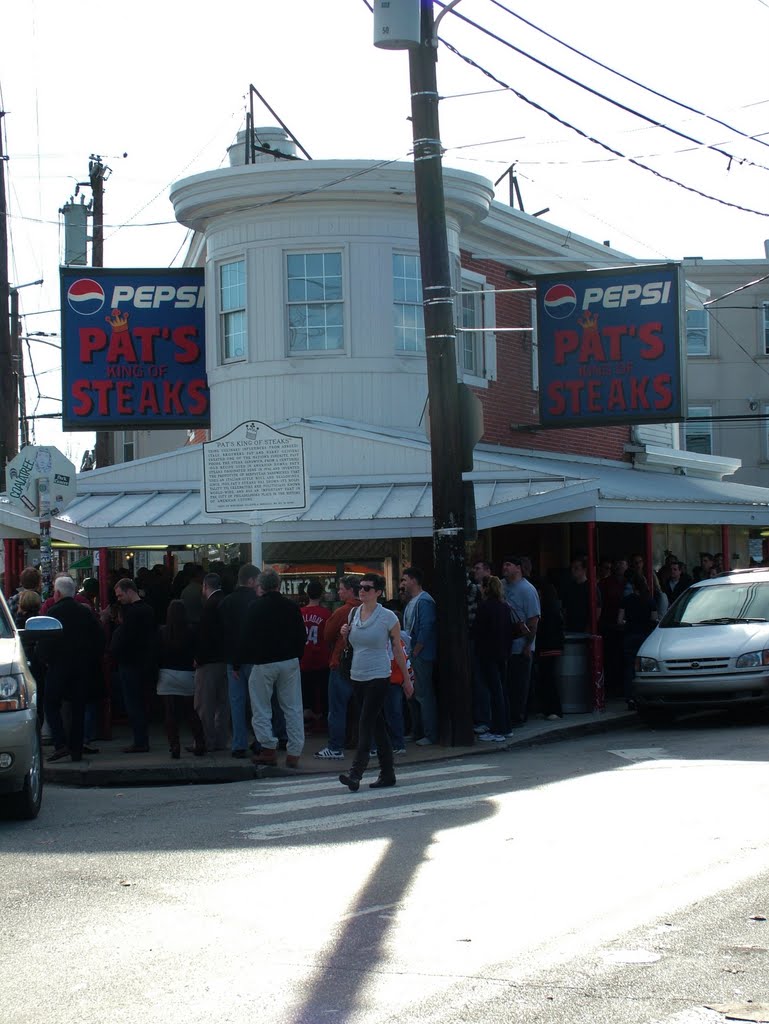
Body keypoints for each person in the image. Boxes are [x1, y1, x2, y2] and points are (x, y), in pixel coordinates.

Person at [338, 573, 413, 792]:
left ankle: (356, 773)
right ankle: (388, 773)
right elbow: (351, 644)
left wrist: (407, 680)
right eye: (361, 587)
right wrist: (345, 634)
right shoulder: (353, 613)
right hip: (357, 674)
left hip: (379, 675)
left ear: (378, 592)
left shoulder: (388, 617)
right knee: (377, 725)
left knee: (365, 723)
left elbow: (398, 649)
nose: (362, 591)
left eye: (368, 588)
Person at [241, 568, 307, 769]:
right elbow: (300, 635)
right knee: (293, 707)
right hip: (289, 661)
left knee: (261, 708)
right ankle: (294, 752)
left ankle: (268, 749)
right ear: (278, 585)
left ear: (261, 586)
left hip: (264, 662)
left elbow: (247, 636)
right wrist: (297, 655)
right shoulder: (291, 607)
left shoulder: (255, 608)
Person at [37, 575, 105, 763]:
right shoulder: (85, 613)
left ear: (57, 593)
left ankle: (60, 743)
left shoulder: (52, 612)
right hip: (82, 668)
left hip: (58, 667)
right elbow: (100, 639)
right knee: (78, 708)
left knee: (51, 704)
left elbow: (43, 644)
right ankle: (76, 749)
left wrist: (47, 660)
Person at [316, 576, 361, 760]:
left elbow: (327, 635)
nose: (339, 591)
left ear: (350, 590)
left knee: (337, 708)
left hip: (341, 663)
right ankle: (371, 745)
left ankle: (335, 747)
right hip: (363, 665)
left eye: (342, 588)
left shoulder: (343, 611)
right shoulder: (371, 611)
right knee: (364, 708)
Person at [112, 577, 157, 753]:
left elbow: (125, 639)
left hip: (130, 664)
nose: (118, 598)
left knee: (133, 703)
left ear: (129, 591)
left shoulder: (131, 613)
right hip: (144, 663)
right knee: (141, 702)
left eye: (120, 594)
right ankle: (141, 739)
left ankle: (140, 741)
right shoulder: (148, 610)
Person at [220, 562, 260, 758]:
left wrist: (233, 660)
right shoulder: (257, 600)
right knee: (258, 703)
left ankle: (239, 743)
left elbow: (226, 634)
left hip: (233, 660)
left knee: (236, 702)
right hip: (255, 657)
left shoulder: (227, 602)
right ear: (252, 581)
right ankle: (260, 740)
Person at [156, 600, 205, 758]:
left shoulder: (162, 632)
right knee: (190, 712)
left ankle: (174, 745)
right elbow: (198, 652)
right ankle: (200, 742)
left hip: (166, 674)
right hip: (186, 674)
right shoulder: (191, 631)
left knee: (170, 713)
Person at [473, 575, 514, 741]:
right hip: (503, 653)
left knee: (494, 691)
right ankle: (506, 727)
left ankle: (498, 729)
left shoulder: (485, 607)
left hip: (488, 654)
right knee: (502, 690)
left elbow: (477, 631)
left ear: (485, 588)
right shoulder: (504, 607)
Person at [501, 555, 540, 727]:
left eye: (508, 565)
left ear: (518, 568)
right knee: (507, 683)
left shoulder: (527, 589)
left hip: (521, 645)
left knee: (519, 683)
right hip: (505, 644)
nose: (505, 568)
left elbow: (533, 620)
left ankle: (518, 716)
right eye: (504, 565)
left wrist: (527, 645)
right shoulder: (501, 585)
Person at [401, 567, 438, 746]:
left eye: (405, 580)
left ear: (414, 580)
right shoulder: (414, 602)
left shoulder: (424, 602)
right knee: (413, 694)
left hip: (419, 654)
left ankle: (429, 733)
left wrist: (416, 649)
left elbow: (426, 627)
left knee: (423, 694)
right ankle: (418, 731)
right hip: (412, 653)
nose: (403, 583)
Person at [193, 572, 229, 754]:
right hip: (225, 660)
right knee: (223, 703)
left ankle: (206, 740)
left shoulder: (209, 606)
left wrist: (198, 658)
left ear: (205, 586)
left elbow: (205, 636)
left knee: (204, 704)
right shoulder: (225, 602)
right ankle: (221, 740)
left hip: (209, 662)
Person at [618, 571, 658, 704]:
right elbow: (654, 619)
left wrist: (627, 623)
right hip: (645, 636)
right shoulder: (650, 600)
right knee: (645, 666)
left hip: (630, 635)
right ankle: (645, 694)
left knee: (629, 667)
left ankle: (630, 696)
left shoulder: (626, 600)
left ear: (633, 586)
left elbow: (619, 620)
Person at [300, 580, 331, 723]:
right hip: (322, 659)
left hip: (304, 659)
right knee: (323, 693)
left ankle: (308, 721)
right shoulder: (326, 614)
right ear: (322, 594)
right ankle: (322, 719)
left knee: (306, 694)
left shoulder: (300, 613)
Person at [535, 582, 565, 720]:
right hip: (550, 647)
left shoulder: (548, 611)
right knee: (545, 678)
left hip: (548, 647)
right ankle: (548, 708)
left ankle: (554, 709)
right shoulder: (553, 609)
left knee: (547, 678)